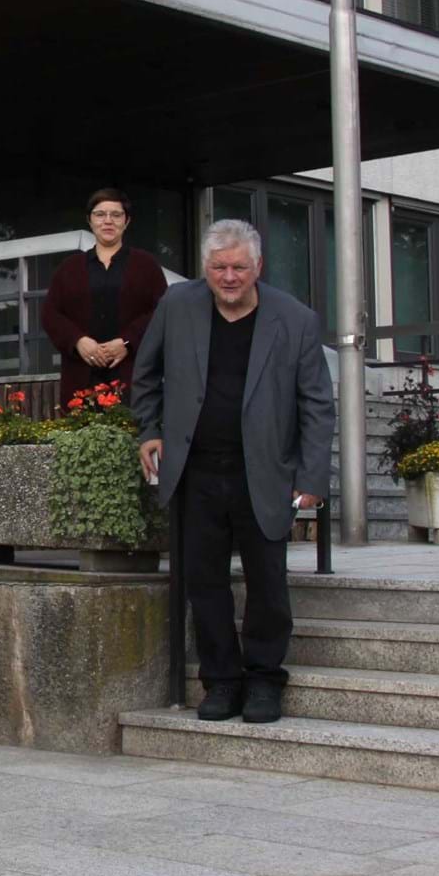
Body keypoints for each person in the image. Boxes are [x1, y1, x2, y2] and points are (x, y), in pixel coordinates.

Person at [130, 219, 335, 724]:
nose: (228, 277)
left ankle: (265, 681)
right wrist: (148, 430)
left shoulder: (296, 320)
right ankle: (220, 682)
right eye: (219, 267)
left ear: (258, 267)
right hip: (194, 470)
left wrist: (310, 479)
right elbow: (146, 373)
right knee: (205, 581)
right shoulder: (176, 306)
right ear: (205, 267)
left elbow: (316, 405)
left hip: (263, 471)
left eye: (239, 267)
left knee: (268, 583)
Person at [41, 188, 168, 411]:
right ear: (90, 221)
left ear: (126, 221)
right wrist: (78, 341)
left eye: (116, 215)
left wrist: (127, 342)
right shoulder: (69, 268)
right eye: (100, 214)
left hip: (132, 372)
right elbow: (50, 314)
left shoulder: (146, 265)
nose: (107, 221)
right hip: (81, 376)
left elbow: (163, 311)